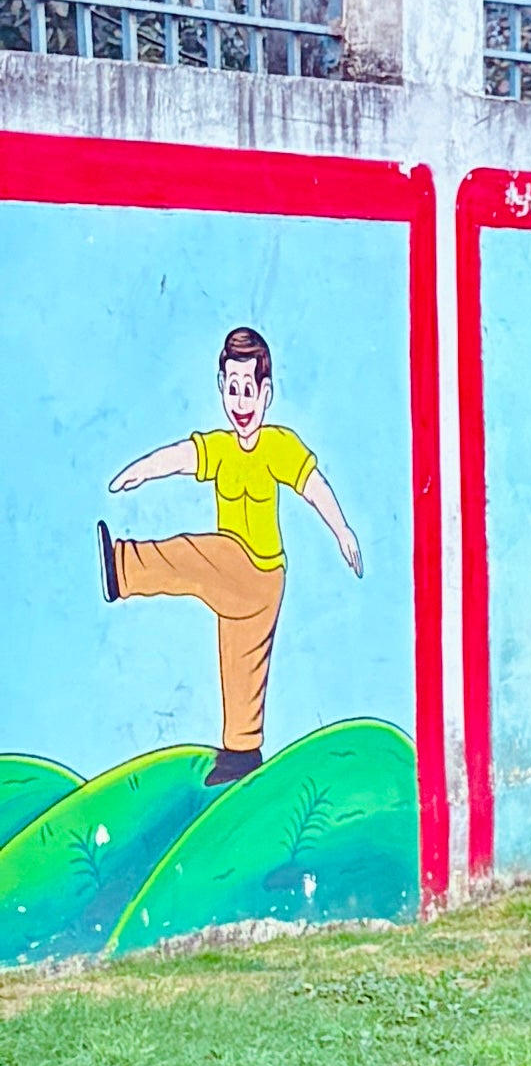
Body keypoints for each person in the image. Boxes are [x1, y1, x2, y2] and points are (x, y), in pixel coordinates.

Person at [101, 325, 364, 785]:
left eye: (251, 391)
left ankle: (124, 567)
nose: (242, 403)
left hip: (261, 573)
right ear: (223, 388)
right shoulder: (222, 450)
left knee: (199, 557)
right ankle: (242, 754)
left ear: (267, 393)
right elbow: (183, 457)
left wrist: (341, 530)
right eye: (234, 390)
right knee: (239, 667)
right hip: (233, 576)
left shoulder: (277, 446)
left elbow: (312, 485)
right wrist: (139, 471)